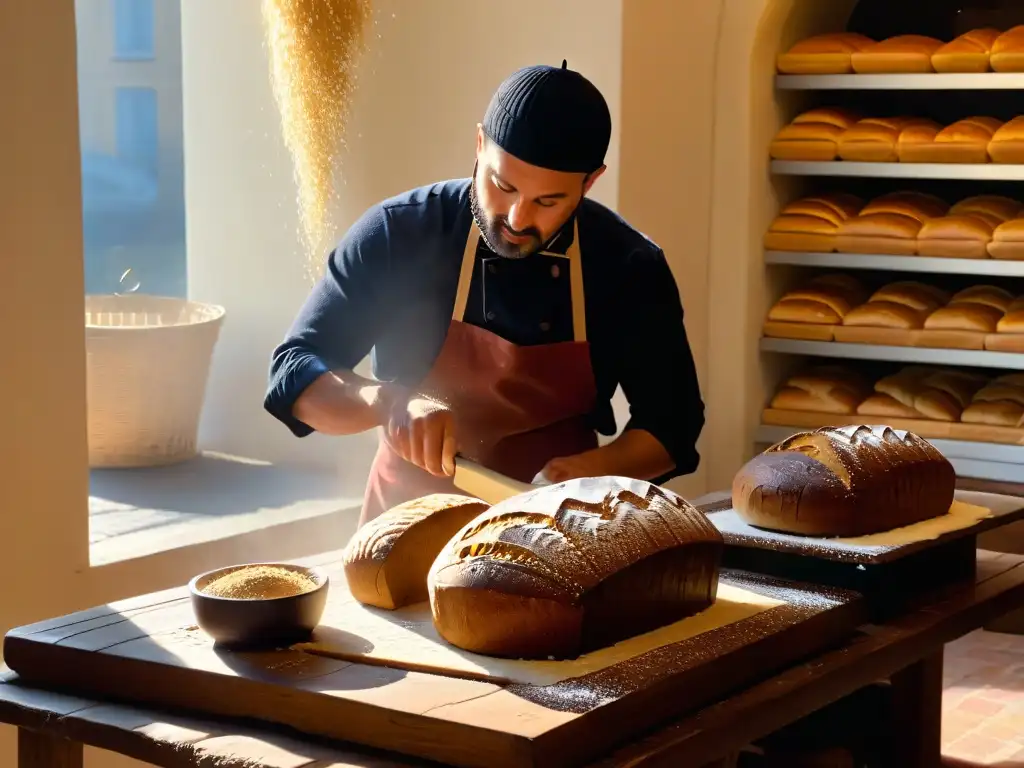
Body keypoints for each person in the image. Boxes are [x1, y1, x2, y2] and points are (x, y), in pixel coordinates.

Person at [264, 60, 705, 526]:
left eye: (547, 201)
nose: (516, 218)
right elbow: (294, 374)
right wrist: (389, 402)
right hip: (407, 530)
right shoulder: (399, 234)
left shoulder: (628, 267)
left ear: (590, 182)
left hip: (558, 528)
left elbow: (672, 427)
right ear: (479, 145)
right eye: (502, 185)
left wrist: (588, 473)